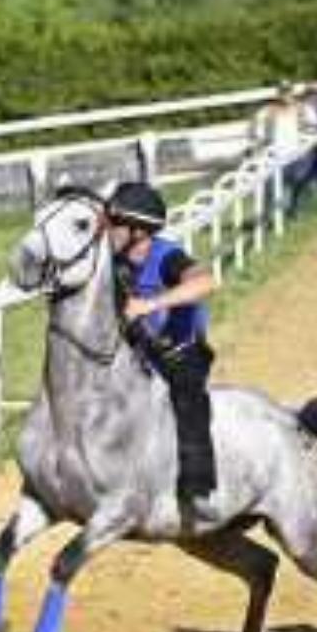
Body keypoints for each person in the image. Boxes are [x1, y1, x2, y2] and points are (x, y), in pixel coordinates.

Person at [105, 182, 218, 501]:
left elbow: (206, 282)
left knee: (188, 395)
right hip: (135, 355)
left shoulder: (167, 257)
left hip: (180, 354)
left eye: (115, 222)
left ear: (138, 231)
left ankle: (199, 486)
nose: (107, 228)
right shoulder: (111, 261)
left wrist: (150, 304)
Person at [251, 81, 317, 220]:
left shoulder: (302, 109)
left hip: (301, 158)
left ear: (292, 93)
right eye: (283, 92)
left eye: (288, 92)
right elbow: (255, 135)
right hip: (277, 160)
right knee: (279, 185)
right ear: (278, 94)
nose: (286, 96)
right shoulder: (265, 112)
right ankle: (268, 218)